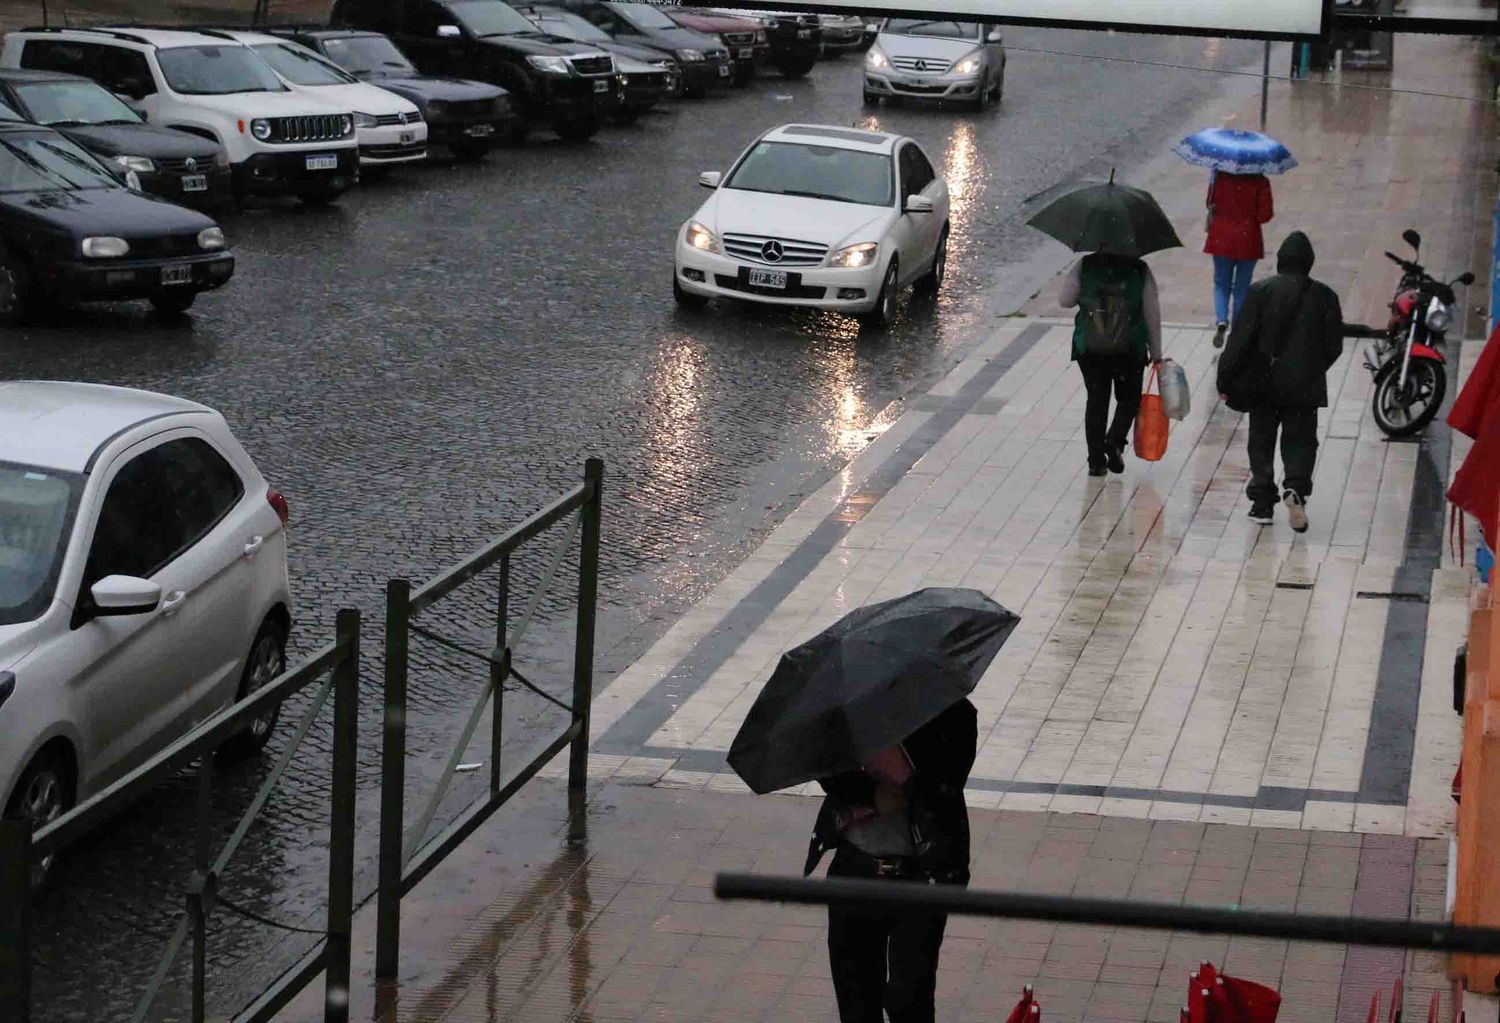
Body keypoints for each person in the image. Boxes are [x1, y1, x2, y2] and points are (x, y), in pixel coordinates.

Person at [804, 699, 977, 1023]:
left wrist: (905, 776)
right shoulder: (842, 707)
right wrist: (870, 794)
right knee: (856, 1003)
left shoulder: (947, 710)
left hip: (921, 875)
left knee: (908, 1001)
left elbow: (948, 779)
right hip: (855, 868)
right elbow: (823, 765)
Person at [1216, 230, 1343, 532]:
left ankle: (1262, 502)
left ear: (1280, 261)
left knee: (1261, 440)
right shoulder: (1325, 296)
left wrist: (1225, 377)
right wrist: (1312, 367)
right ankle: (1296, 487)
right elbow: (1333, 345)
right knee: (1300, 439)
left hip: (1265, 383)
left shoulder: (1260, 292)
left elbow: (1240, 339)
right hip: (1305, 386)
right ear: (1309, 263)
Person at [1059, 251, 1164, 477]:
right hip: (1129, 348)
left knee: (1097, 400)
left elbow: (1065, 301)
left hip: (1091, 346)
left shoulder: (1085, 266)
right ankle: (1115, 441)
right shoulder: (1139, 269)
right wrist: (1156, 353)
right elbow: (1152, 313)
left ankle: (1095, 462)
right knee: (1129, 399)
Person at [1204, 170, 1275, 348]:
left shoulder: (1219, 175)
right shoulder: (1261, 181)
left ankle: (1221, 319)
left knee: (1221, 283)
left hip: (1221, 237)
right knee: (1242, 286)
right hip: (1248, 238)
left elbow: (1209, 203)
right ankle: (1237, 327)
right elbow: (1265, 215)